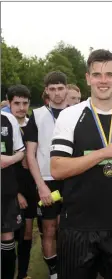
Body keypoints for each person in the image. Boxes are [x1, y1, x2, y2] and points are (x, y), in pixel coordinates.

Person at [50, 49, 112, 278]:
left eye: (109, 74)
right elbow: (58, 168)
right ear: (88, 78)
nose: (103, 80)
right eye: (97, 74)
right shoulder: (70, 116)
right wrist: (104, 153)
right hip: (78, 226)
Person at [26, 71, 68, 279]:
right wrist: (40, 185)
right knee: (49, 229)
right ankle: (54, 273)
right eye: (52, 89)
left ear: (67, 89)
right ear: (46, 91)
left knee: (70, 228)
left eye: (61, 88)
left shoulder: (78, 112)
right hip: (48, 181)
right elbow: (30, 155)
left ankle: (72, 265)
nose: (57, 93)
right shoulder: (37, 115)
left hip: (72, 179)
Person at [7, 85, 39, 279]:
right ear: (9, 103)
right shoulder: (4, 127)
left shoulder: (32, 126)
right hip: (10, 190)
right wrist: (15, 193)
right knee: (9, 236)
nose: (21, 107)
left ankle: (23, 274)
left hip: (31, 188)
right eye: (16, 103)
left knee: (27, 234)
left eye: (24, 103)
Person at [1, 110, 25, 279]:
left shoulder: (8, 119)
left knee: (7, 236)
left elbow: (21, 152)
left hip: (6, 190)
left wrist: (8, 160)